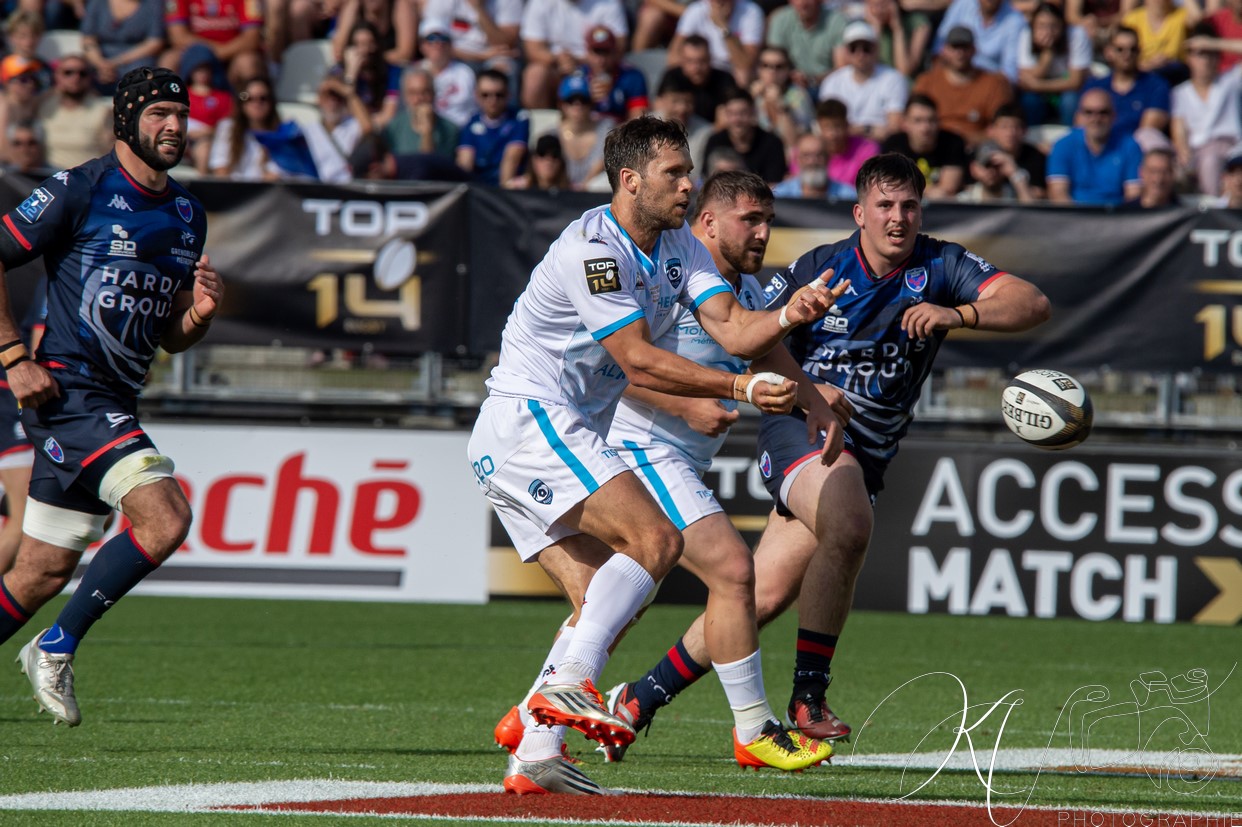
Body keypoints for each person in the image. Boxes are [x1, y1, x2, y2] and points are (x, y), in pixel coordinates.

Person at [600, 152, 1050, 752]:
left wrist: (958, 312)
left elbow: (1031, 302)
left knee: (760, 596)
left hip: (871, 449)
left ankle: (638, 698)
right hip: (801, 430)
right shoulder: (822, 269)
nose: (898, 219)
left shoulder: (942, 264)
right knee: (850, 522)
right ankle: (808, 697)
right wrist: (808, 392)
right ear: (859, 213)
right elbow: (759, 334)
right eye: (885, 207)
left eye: (909, 206)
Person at [466, 116, 845, 794]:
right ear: (629, 180)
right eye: (674, 173)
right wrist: (739, 384)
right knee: (655, 541)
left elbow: (732, 324)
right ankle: (576, 690)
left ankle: (535, 746)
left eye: (689, 170)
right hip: (532, 419)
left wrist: (791, 314)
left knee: (599, 599)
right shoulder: (594, 248)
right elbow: (635, 356)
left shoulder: (678, 243)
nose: (688, 183)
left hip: (549, 431)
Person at [0, 66, 221, 728]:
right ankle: (58, 644)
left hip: (114, 399)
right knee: (166, 516)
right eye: (158, 114)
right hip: (70, 391)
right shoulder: (80, 187)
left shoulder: (188, 214)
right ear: (127, 120)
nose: (174, 127)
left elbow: (171, 336)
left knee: (39, 570)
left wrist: (200, 316)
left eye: (180, 117)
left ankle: (48, 625)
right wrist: (13, 358)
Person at [0, 279, 44, 574]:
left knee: (96, 513)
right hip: (15, 398)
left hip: (44, 404)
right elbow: (41, 350)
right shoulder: (66, 273)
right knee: (25, 516)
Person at [912, 25, 1013, 149]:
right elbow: (913, 121)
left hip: (976, 148)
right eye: (954, 47)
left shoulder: (994, 83)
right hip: (934, 145)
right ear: (944, 50)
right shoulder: (926, 81)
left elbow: (1003, 127)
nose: (960, 53)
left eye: (965, 47)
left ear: (974, 50)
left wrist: (965, 140)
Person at [518, 0, 629, 110]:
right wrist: (558, 59)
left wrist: (578, 62)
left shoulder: (609, 3)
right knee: (535, 75)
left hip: (594, 68)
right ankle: (545, 125)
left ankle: (603, 118)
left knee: (604, 69)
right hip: (556, 69)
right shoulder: (540, 2)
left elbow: (618, 47)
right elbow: (533, 49)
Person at [1170, 29, 1242, 197]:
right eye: (1201, 54)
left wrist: (1212, 43)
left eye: (1212, 54)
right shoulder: (1180, 92)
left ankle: (1215, 213)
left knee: (1211, 160)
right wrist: (1183, 149)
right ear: (1189, 58)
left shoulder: (1231, 81)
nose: (1207, 60)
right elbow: (1179, 128)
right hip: (1197, 152)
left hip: (1232, 149)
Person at [817, 21, 909, 143]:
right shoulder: (832, 82)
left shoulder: (893, 79)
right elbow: (828, 128)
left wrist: (851, 130)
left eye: (866, 48)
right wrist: (869, 129)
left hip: (882, 147)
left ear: (876, 49)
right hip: (842, 147)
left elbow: (894, 127)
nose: (860, 54)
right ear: (846, 51)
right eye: (853, 48)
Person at [1046, 88, 1142, 204]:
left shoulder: (1130, 146)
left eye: (1103, 112)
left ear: (1113, 116)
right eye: (1089, 112)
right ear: (1079, 116)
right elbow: (1058, 194)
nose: (1096, 119)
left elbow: (1133, 195)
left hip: (1117, 217)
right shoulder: (1063, 146)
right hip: (1074, 217)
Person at [1080, 26, 1172, 137]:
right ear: (1108, 52)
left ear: (1139, 51)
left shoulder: (1156, 86)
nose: (1127, 55)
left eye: (1132, 49)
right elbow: (1081, 125)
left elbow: (1148, 131)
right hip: (1099, 147)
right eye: (1120, 49)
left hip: (1137, 149)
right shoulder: (1094, 87)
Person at [1016, 3, 1092, 127]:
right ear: (1033, 26)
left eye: (1053, 26)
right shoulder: (1026, 34)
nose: (1048, 32)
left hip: (1067, 92)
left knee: (1070, 100)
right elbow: (1025, 79)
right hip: (1043, 92)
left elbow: (1075, 81)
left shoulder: (1077, 34)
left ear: (1063, 26)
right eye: (1042, 26)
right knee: (1029, 101)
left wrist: (1039, 86)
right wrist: (1047, 54)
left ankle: (1072, 137)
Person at [36, 55, 115, 171]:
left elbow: (112, 153)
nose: (76, 77)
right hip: (49, 179)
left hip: (87, 179)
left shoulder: (103, 111)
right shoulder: (44, 107)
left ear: (89, 77)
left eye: (82, 73)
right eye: (68, 72)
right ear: (57, 76)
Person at [881, 94, 968, 197]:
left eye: (931, 120)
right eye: (918, 120)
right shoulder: (893, 144)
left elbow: (948, 189)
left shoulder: (953, 142)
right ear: (905, 123)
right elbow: (890, 186)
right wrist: (929, 191)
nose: (925, 128)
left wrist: (907, 188)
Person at [455, 68, 529, 186]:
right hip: (478, 189)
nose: (492, 100)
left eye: (499, 95)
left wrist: (502, 196)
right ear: (476, 96)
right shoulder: (470, 123)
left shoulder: (519, 119)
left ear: (508, 95)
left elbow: (512, 159)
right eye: (485, 95)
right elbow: (465, 164)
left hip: (507, 188)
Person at [668, 0, 765, 87]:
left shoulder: (750, 12)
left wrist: (723, 27)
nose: (719, 2)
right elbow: (673, 58)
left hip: (730, 70)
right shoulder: (696, 10)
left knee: (743, 75)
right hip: (704, 68)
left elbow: (745, 64)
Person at [827, 0, 932, 79]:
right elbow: (866, 66)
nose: (879, 11)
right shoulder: (858, 26)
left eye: (884, 4)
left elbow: (903, 71)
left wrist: (897, 30)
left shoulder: (917, 23)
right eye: (874, 5)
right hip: (872, 83)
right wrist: (875, 30)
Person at [702, 88, 787, 185]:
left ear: (753, 112)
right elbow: (707, 179)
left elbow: (774, 184)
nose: (737, 120)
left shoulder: (771, 143)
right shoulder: (715, 141)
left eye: (743, 113)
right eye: (732, 113)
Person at [932, 0, 1027, 83]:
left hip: (990, 81)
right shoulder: (962, 4)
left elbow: (1010, 72)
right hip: (954, 73)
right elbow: (939, 46)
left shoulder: (1015, 20)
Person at [80, 0, 165, 91]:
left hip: (135, 58)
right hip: (100, 57)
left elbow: (155, 42)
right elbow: (88, 39)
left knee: (140, 72)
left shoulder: (153, 4)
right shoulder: (97, 3)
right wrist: (100, 63)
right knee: (78, 69)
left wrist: (116, 62)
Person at [660, 34, 739, 124]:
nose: (696, 68)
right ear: (682, 60)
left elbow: (730, 112)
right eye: (690, 61)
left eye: (702, 61)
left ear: (710, 59)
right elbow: (661, 106)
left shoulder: (724, 79)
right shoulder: (672, 76)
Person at [383, 67, 460, 159]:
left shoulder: (449, 129)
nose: (419, 98)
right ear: (405, 96)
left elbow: (429, 165)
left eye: (425, 92)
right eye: (413, 93)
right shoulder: (394, 127)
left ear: (433, 94)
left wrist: (427, 133)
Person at [416, 19, 479, 130]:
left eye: (443, 39)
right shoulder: (414, 73)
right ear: (422, 46)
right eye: (431, 39)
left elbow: (474, 109)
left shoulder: (465, 73)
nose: (438, 43)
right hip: (426, 130)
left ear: (450, 44)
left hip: (461, 131)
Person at [748, 46, 814, 153]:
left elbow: (793, 142)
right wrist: (750, 101)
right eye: (766, 65)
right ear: (758, 69)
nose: (772, 71)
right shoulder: (752, 95)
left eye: (779, 66)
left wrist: (780, 105)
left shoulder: (797, 95)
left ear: (788, 70)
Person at [581, 25, 650, 123]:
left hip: (621, 132)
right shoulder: (578, 77)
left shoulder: (632, 76)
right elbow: (568, 116)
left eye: (606, 52)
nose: (601, 59)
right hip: (585, 132)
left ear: (615, 52)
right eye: (597, 52)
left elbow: (638, 118)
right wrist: (587, 101)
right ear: (588, 53)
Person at [764, 0, 834, 90]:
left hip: (825, 85)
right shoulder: (779, 19)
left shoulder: (835, 20)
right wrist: (791, 75)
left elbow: (841, 68)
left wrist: (813, 79)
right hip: (787, 84)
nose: (803, 3)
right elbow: (773, 57)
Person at [816, 98, 881, 193]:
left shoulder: (866, 149)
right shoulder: (810, 152)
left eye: (837, 126)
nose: (832, 134)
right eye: (826, 127)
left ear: (846, 125)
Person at [958, 139, 1038, 200]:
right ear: (974, 169)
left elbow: (1032, 214)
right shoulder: (964, 200)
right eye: (986, 165)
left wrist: (1014, 172)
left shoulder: (1015, 196)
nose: (991, 171)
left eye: (997, 165)